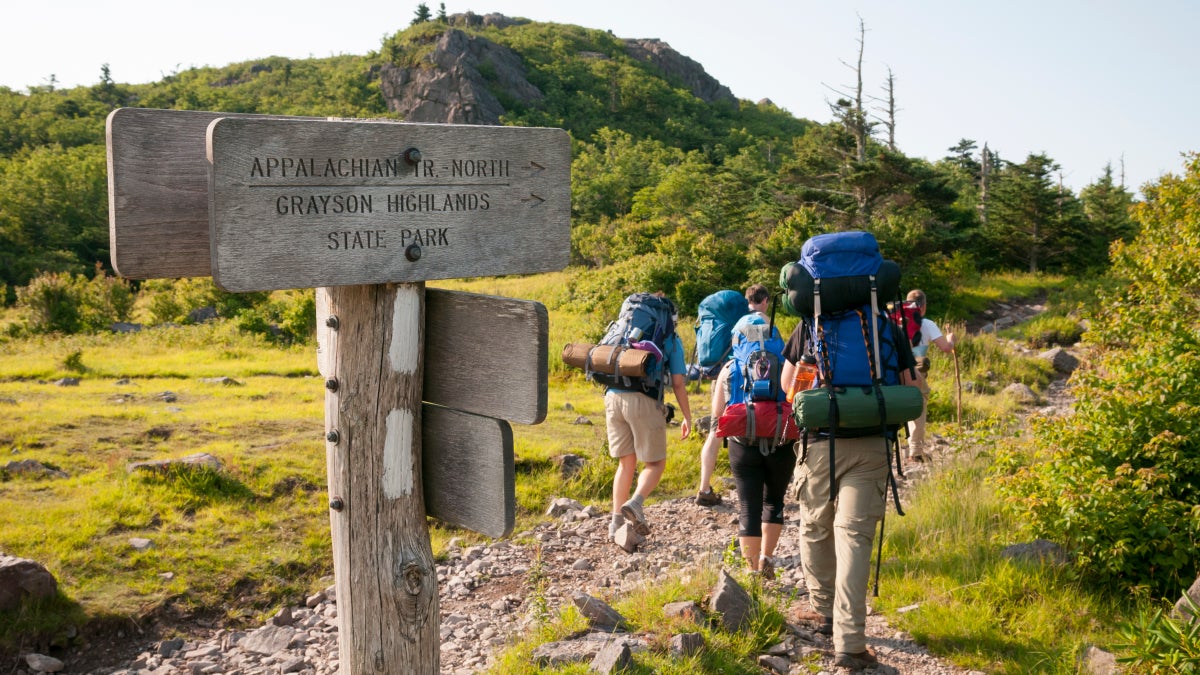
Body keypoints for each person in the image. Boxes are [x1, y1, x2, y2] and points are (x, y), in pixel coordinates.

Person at [780, 313, 922, 669]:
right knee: (855, 540)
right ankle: (851, 642)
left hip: (819, 448)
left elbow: (788, 389)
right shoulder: (886, 327)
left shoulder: (810, 326)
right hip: (872, 445)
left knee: (815, 527)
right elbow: (913, 389)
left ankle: (823, 609)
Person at [711, 312, 797, 578]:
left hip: (742, 442)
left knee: (749, 506)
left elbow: (717, 415)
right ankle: (767, 558)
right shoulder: (787, 364)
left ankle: (751, 572)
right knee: (774, 501)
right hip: (782, 438)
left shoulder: (729, 368)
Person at [607, 292, 692, 543]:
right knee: (655, 464)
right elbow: (678, 383)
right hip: (643, 399)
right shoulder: (671, 339)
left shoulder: (624, 329)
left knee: (626, 463)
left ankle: (615, 525)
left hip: (612, 396)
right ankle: (636, 502)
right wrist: (687, 416)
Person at [695, 283, 772, 506]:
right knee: (755, 429)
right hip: (744, 380)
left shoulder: (734, 319)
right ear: (765, 301)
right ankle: (755, 489)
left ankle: (704, 488)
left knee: (715, 431)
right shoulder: (760, 322)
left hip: (720, 376)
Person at [903, 289, 955, 463]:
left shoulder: (895, 321)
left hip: (893, 370)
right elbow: (946, 348)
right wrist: (951, 338)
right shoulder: (927, 324)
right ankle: (915, 452)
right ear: (923, 307)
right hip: (915, 373)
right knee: (918, 408)